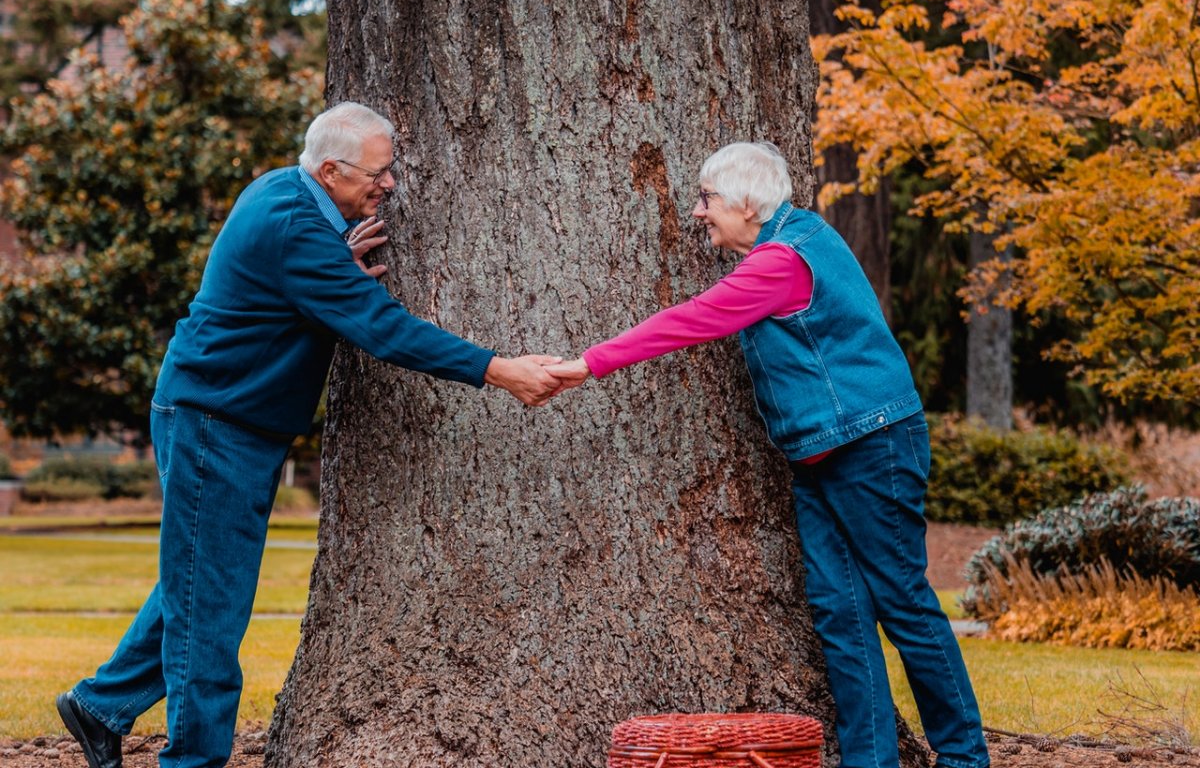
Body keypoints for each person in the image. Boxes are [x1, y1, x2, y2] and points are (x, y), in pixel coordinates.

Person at [55, 101, 562, 768]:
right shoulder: (297, 225)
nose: (388, 186)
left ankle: (100, 706)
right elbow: (383, 329)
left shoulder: (285, 196)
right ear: (330, 169)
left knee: (200, 580)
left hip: (230, 419)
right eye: (378, 175)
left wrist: (333, 261)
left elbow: (298, 277)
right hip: (217, 424)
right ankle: (192, 760)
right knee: (211, 610)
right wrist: (500, 370)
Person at [547, 142, 990, 768]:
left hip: (871, 445)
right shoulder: (789, 241)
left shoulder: (781, 259)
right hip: (819, 456)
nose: (698, 212)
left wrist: (586, 364)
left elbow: (693, 319)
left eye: (708, 199)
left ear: (748, 203)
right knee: (840, 613)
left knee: (902, 601)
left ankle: (966, 758)